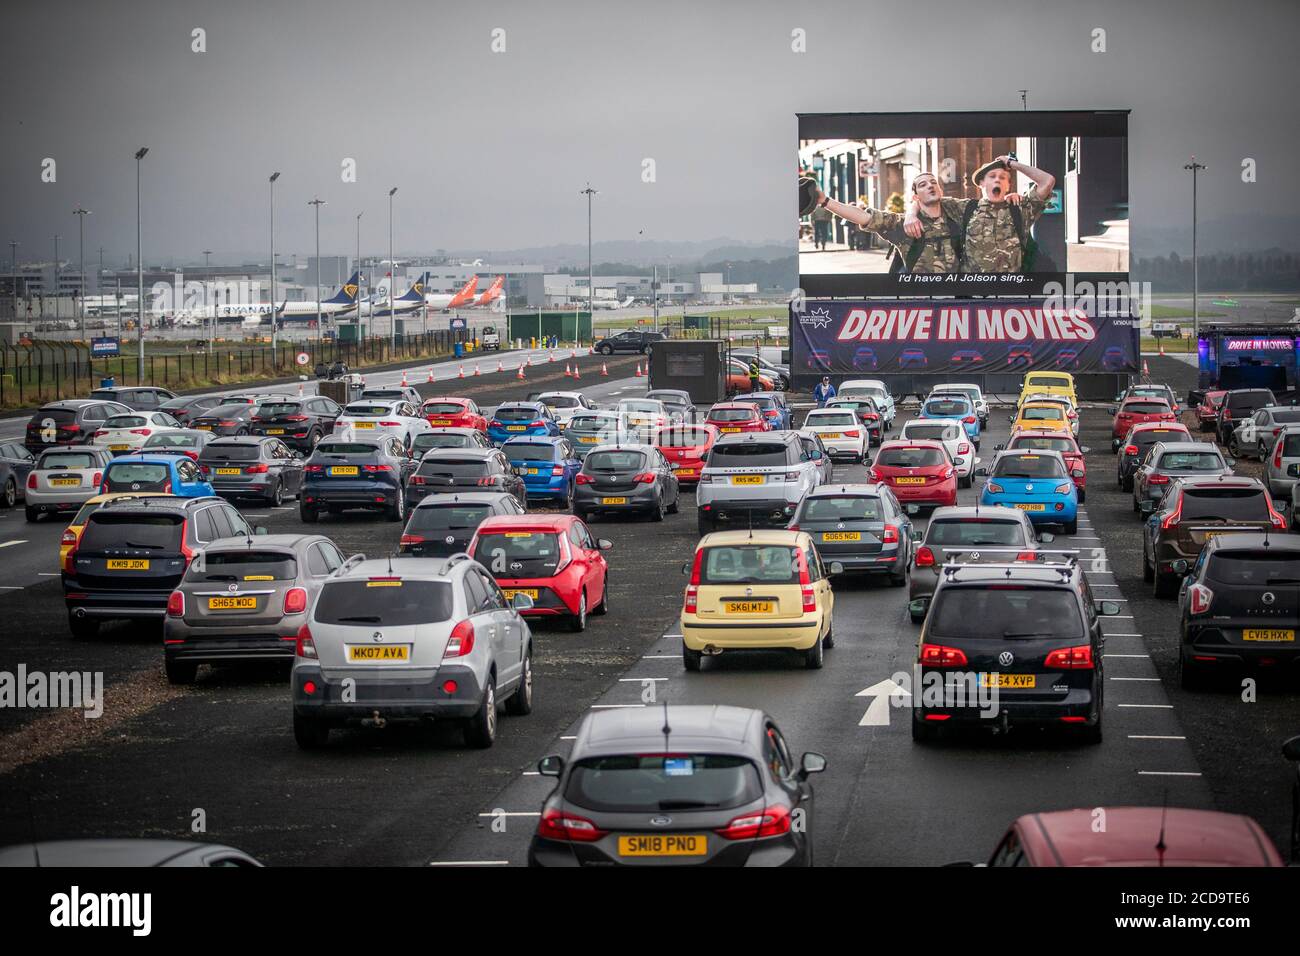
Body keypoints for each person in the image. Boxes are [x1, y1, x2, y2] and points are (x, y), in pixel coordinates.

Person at [904, 155, 1055, 273]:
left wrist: (1012, 163)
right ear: (981, 183)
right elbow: (927, 199)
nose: (997, 179)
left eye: (1002, 177)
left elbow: (1047, 181)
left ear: (1008, 185)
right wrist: (911, 215)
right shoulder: (965, 208)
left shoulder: (1020, 209)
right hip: (973, 294)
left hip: (1010, 294)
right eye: (992, 176)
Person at [812, 174, 963, 274]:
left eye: (933, 182)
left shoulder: (960, 217)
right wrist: (825, 201)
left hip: (959, 302)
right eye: (923, 184)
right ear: (915, 197)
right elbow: (863, 216)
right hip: (920, 301)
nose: (930, 186)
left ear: (940, 190)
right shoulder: (901, 224)